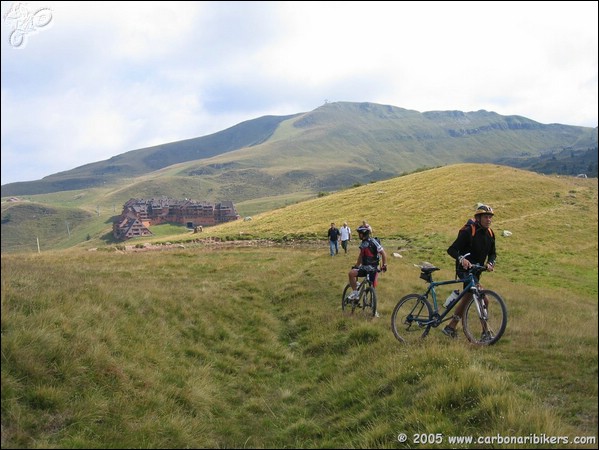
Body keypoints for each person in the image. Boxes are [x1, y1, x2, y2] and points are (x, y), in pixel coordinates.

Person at [444, 204, 497, 338]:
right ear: (478, 218)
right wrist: (462, 259)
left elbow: (493, 253)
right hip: (464, 269)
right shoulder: (468, 231)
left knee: (467, 298)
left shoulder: (490, 234)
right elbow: (452, 249)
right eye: (486, 217)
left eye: (490, 217)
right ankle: (485, 332)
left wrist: (490, 263)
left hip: (476, 271)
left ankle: (450, 327)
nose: (489, 220)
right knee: (484, 300)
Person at [346, 225, 388, 315]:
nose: (358, 235)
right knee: (351, 273)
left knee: (372, 289)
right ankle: (355, 292)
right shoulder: (363, 243)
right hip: (364, 268)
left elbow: (383, 253)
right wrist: (356, 266)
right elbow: (361, 255)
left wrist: (384, 265)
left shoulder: (373, 242)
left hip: (373, 269)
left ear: (363, 233)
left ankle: (374, 310)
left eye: (359, 233)